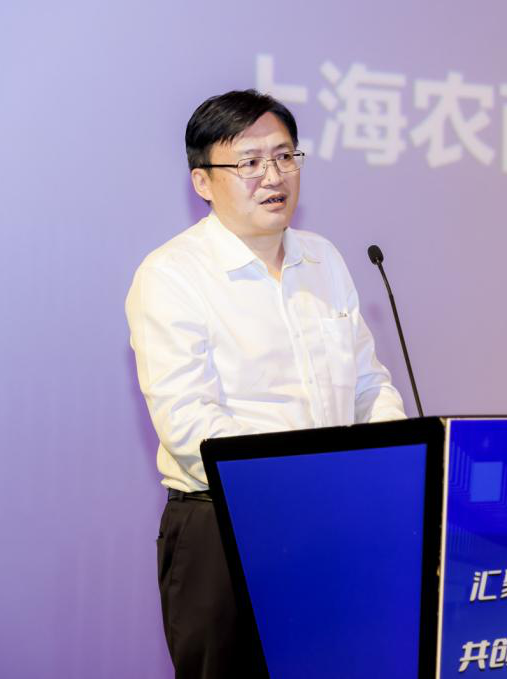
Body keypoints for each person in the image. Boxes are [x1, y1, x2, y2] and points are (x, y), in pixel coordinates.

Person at [125, 90, 406, 679]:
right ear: (203, 181)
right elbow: (188, 422)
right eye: (249, 162)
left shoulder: (324, 260)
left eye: (284, 156)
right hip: (225, 529)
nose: (273, 176)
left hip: (336, 522)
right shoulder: (172, 276)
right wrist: (295, 485)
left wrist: (393, 467)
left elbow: (368, 386)